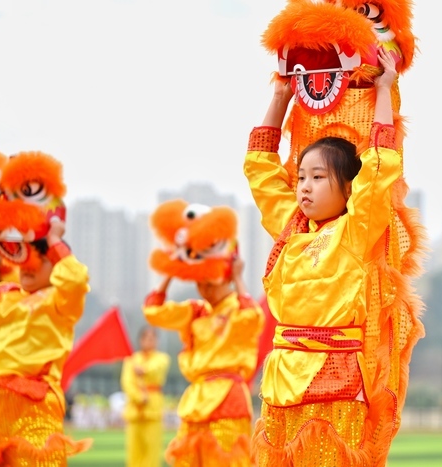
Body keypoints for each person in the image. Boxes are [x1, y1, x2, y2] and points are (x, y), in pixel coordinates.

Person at [244, 49, 401, 466]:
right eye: (300, 178)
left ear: (348, 188)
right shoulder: (291, 224)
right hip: (280, 378)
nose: (304, 188)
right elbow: (259, 168)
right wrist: (280, 96)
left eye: (318, 177)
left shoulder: (355, 229)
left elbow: (380, 166)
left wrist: (384, 89)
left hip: (335, 380)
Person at [0, 219, 92, 465]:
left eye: (41, 259)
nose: (29, 266)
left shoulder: (60, 301)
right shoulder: (3, 294)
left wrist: (54, 240)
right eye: (25, 257)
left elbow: (76, 280)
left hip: (34, 406)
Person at [143, 255, 264, 467]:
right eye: (199, 282)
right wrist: (171, 271)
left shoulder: (238, 307)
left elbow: (254, 319)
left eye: (211, 282)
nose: (205, 289)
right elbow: (153, 312)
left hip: (228, 397)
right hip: (196, 398)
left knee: (229, 460)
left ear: (226, 279)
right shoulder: (195, 311)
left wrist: (238, 278)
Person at [120, 326, 171, 467]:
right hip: (135, 411)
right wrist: (138, 397)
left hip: (152, 411)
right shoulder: (131, 360)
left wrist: (144, 370)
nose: (150, 341)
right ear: (141, 340)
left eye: (153, 338)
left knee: (152, 454)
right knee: (134, 454)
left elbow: (156, 369)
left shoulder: (162, 358)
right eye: (147, 338)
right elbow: (127, 382)